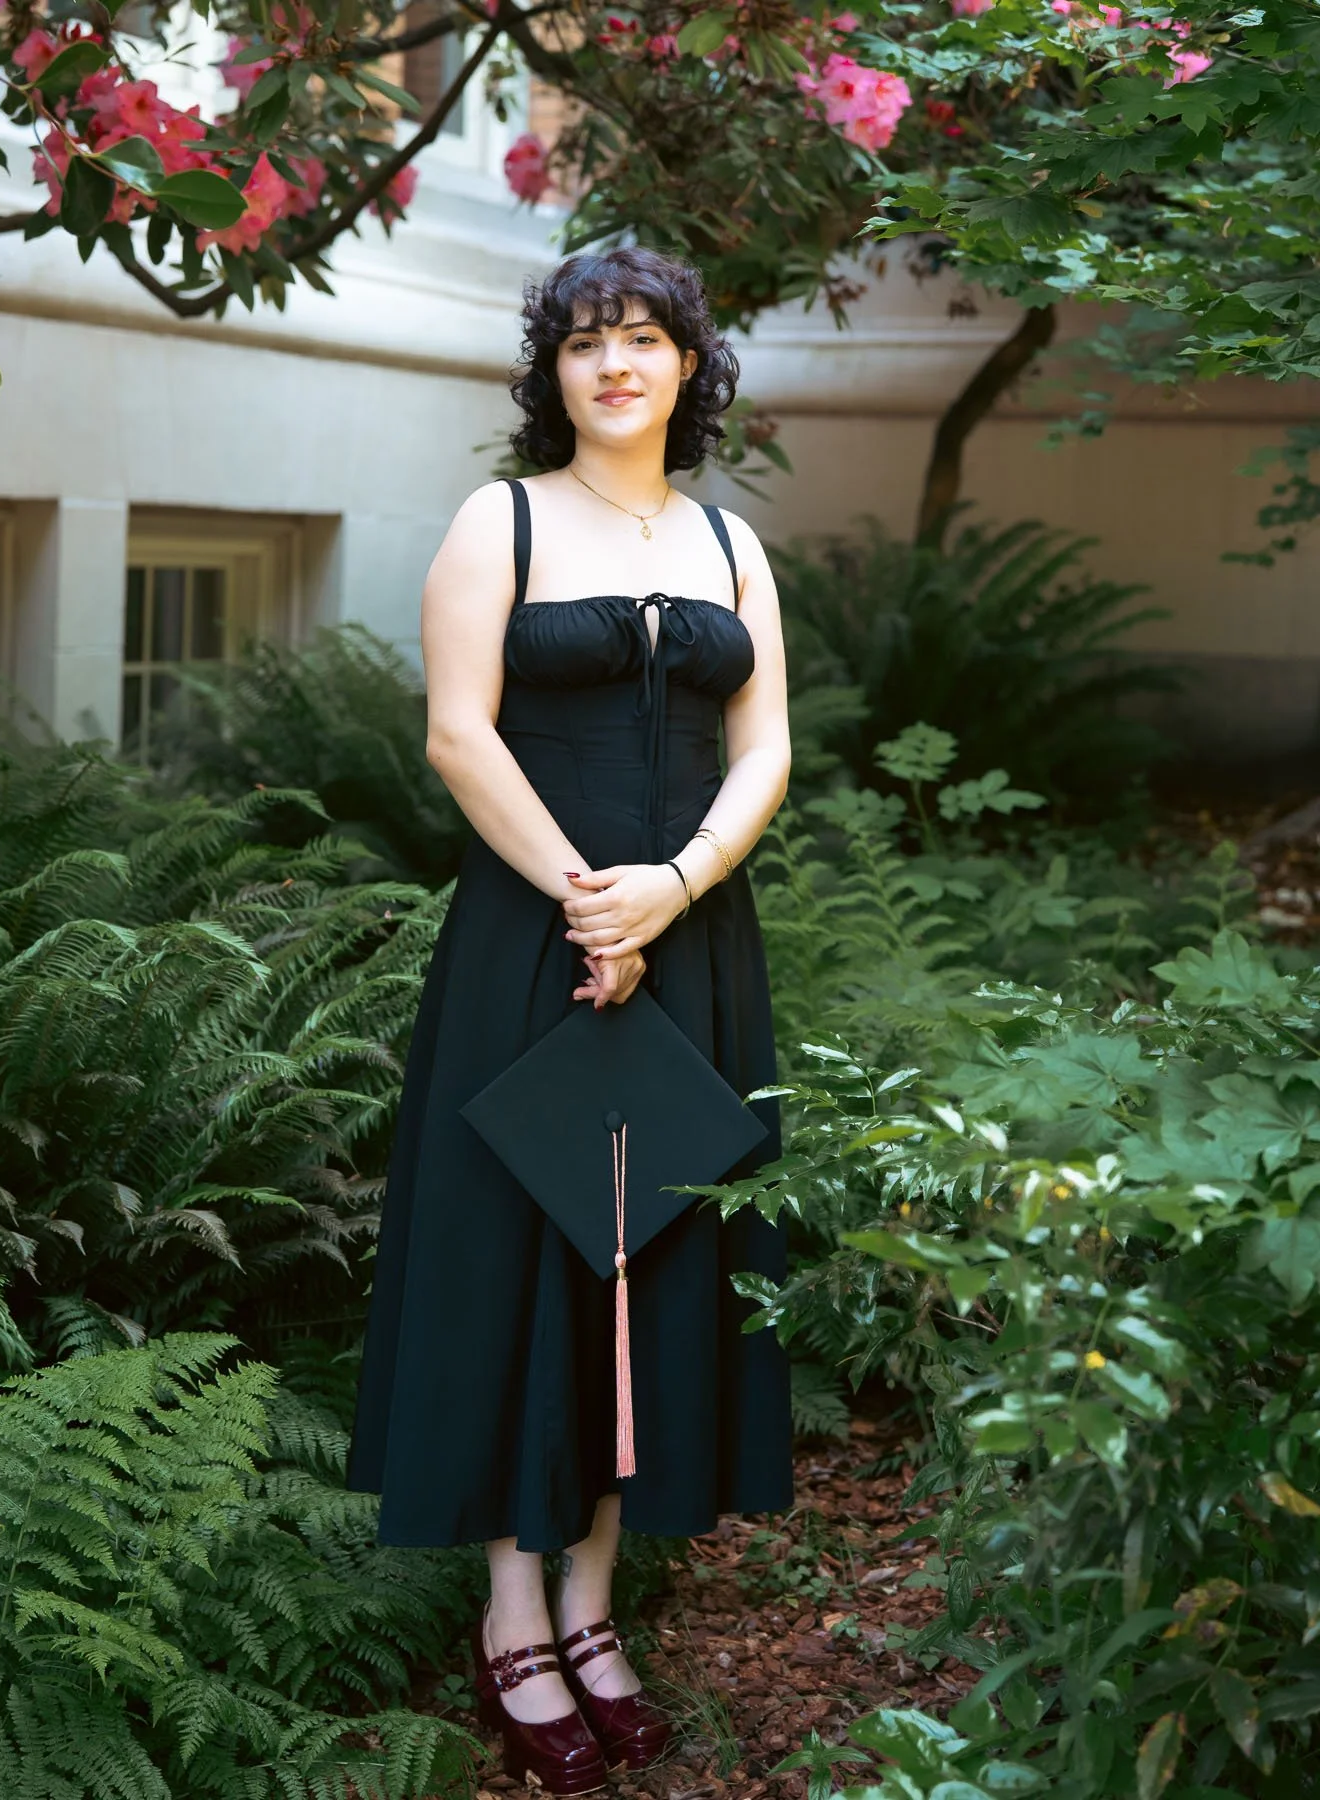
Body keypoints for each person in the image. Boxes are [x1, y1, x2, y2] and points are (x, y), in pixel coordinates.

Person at [348, 244, 793, 1794]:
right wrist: (586, 898)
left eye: (646, 337)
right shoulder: (504, 520)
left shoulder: (736, 547)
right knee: (519, 1264)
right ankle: (513, 1616)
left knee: (642, 1266)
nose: (616, 362)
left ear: (689, 365)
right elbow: (458, 731)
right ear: (552, 372)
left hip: (697, 946)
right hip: (530, 949)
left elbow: (766, 755)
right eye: (586, 340)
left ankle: (597, 1610)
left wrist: (670, 891)